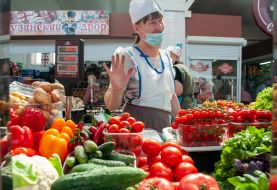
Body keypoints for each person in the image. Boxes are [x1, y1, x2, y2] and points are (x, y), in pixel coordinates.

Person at [103, 0, 180, 132]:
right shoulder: (127, 56)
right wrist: (116, 89)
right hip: (137, 128)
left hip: (165, 127)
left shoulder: (166, 57)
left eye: (160, 21)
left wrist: (182, 123)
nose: (159, 27)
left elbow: (171, 96)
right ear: (137, 28)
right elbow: (111, 106)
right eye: (152, 22)